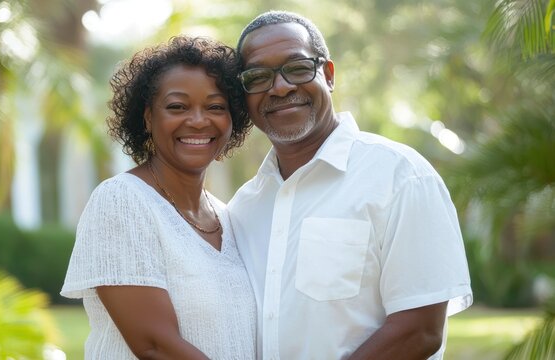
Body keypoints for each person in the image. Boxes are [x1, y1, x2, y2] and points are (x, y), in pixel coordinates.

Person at [227, 10, 473, 360]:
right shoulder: (244, 207)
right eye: (258, 77)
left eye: (297, 68)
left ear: (328, 74)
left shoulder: (400, 176)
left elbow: (420, 330)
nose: (280, 87)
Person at [61, 35, 256, 359]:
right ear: (149, 117)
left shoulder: (229, 218)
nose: (197, 120)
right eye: (178, 106)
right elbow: (155, 346)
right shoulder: (121, 202)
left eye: (215, 107)